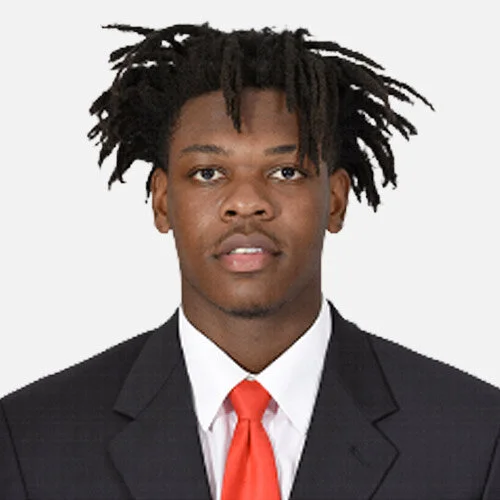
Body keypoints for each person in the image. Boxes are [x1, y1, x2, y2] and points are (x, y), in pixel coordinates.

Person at [1, 22, 499, 500]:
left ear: (335, 200)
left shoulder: (475, 437)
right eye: (208, 172)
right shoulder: (30, 438)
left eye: (285, 171)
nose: (246, 202)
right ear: (161, 201)